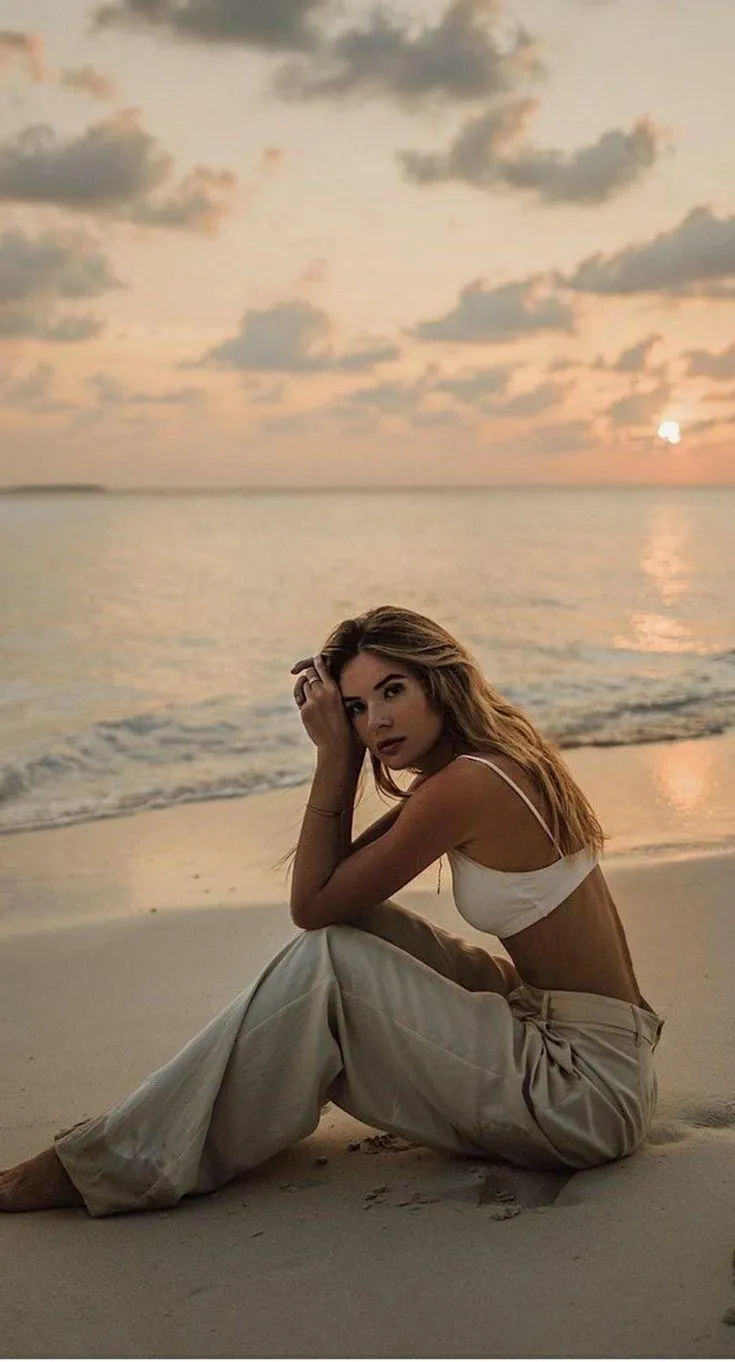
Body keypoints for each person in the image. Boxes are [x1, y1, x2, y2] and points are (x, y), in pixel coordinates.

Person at [0, 605, 663, 1216]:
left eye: (391, 690)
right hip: (581, 1039)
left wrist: (334, 759)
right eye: (353, 707)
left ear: (439, 680)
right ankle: (170, 1128)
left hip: (585, 1093)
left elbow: (310, 904)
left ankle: (122, 1157)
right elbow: (338, 895)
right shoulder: (488, 757)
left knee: (333, 960)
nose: (374, 720)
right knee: (355, 927)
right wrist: (342, 751)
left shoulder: (465, 785)